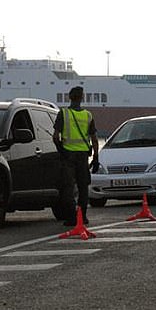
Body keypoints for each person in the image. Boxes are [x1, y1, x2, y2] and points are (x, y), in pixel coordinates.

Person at [53, 86, 100, 226]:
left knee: (68, 187)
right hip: (83, 156)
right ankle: (83, 217)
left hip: (68, 156)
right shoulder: (88, 115)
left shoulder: (63, 113)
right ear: (82, 98)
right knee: (83, 187)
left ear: (69, 97)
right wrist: (96, 158)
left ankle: (72, 218)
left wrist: (62, 151)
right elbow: (95, 139)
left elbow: (55, 137)